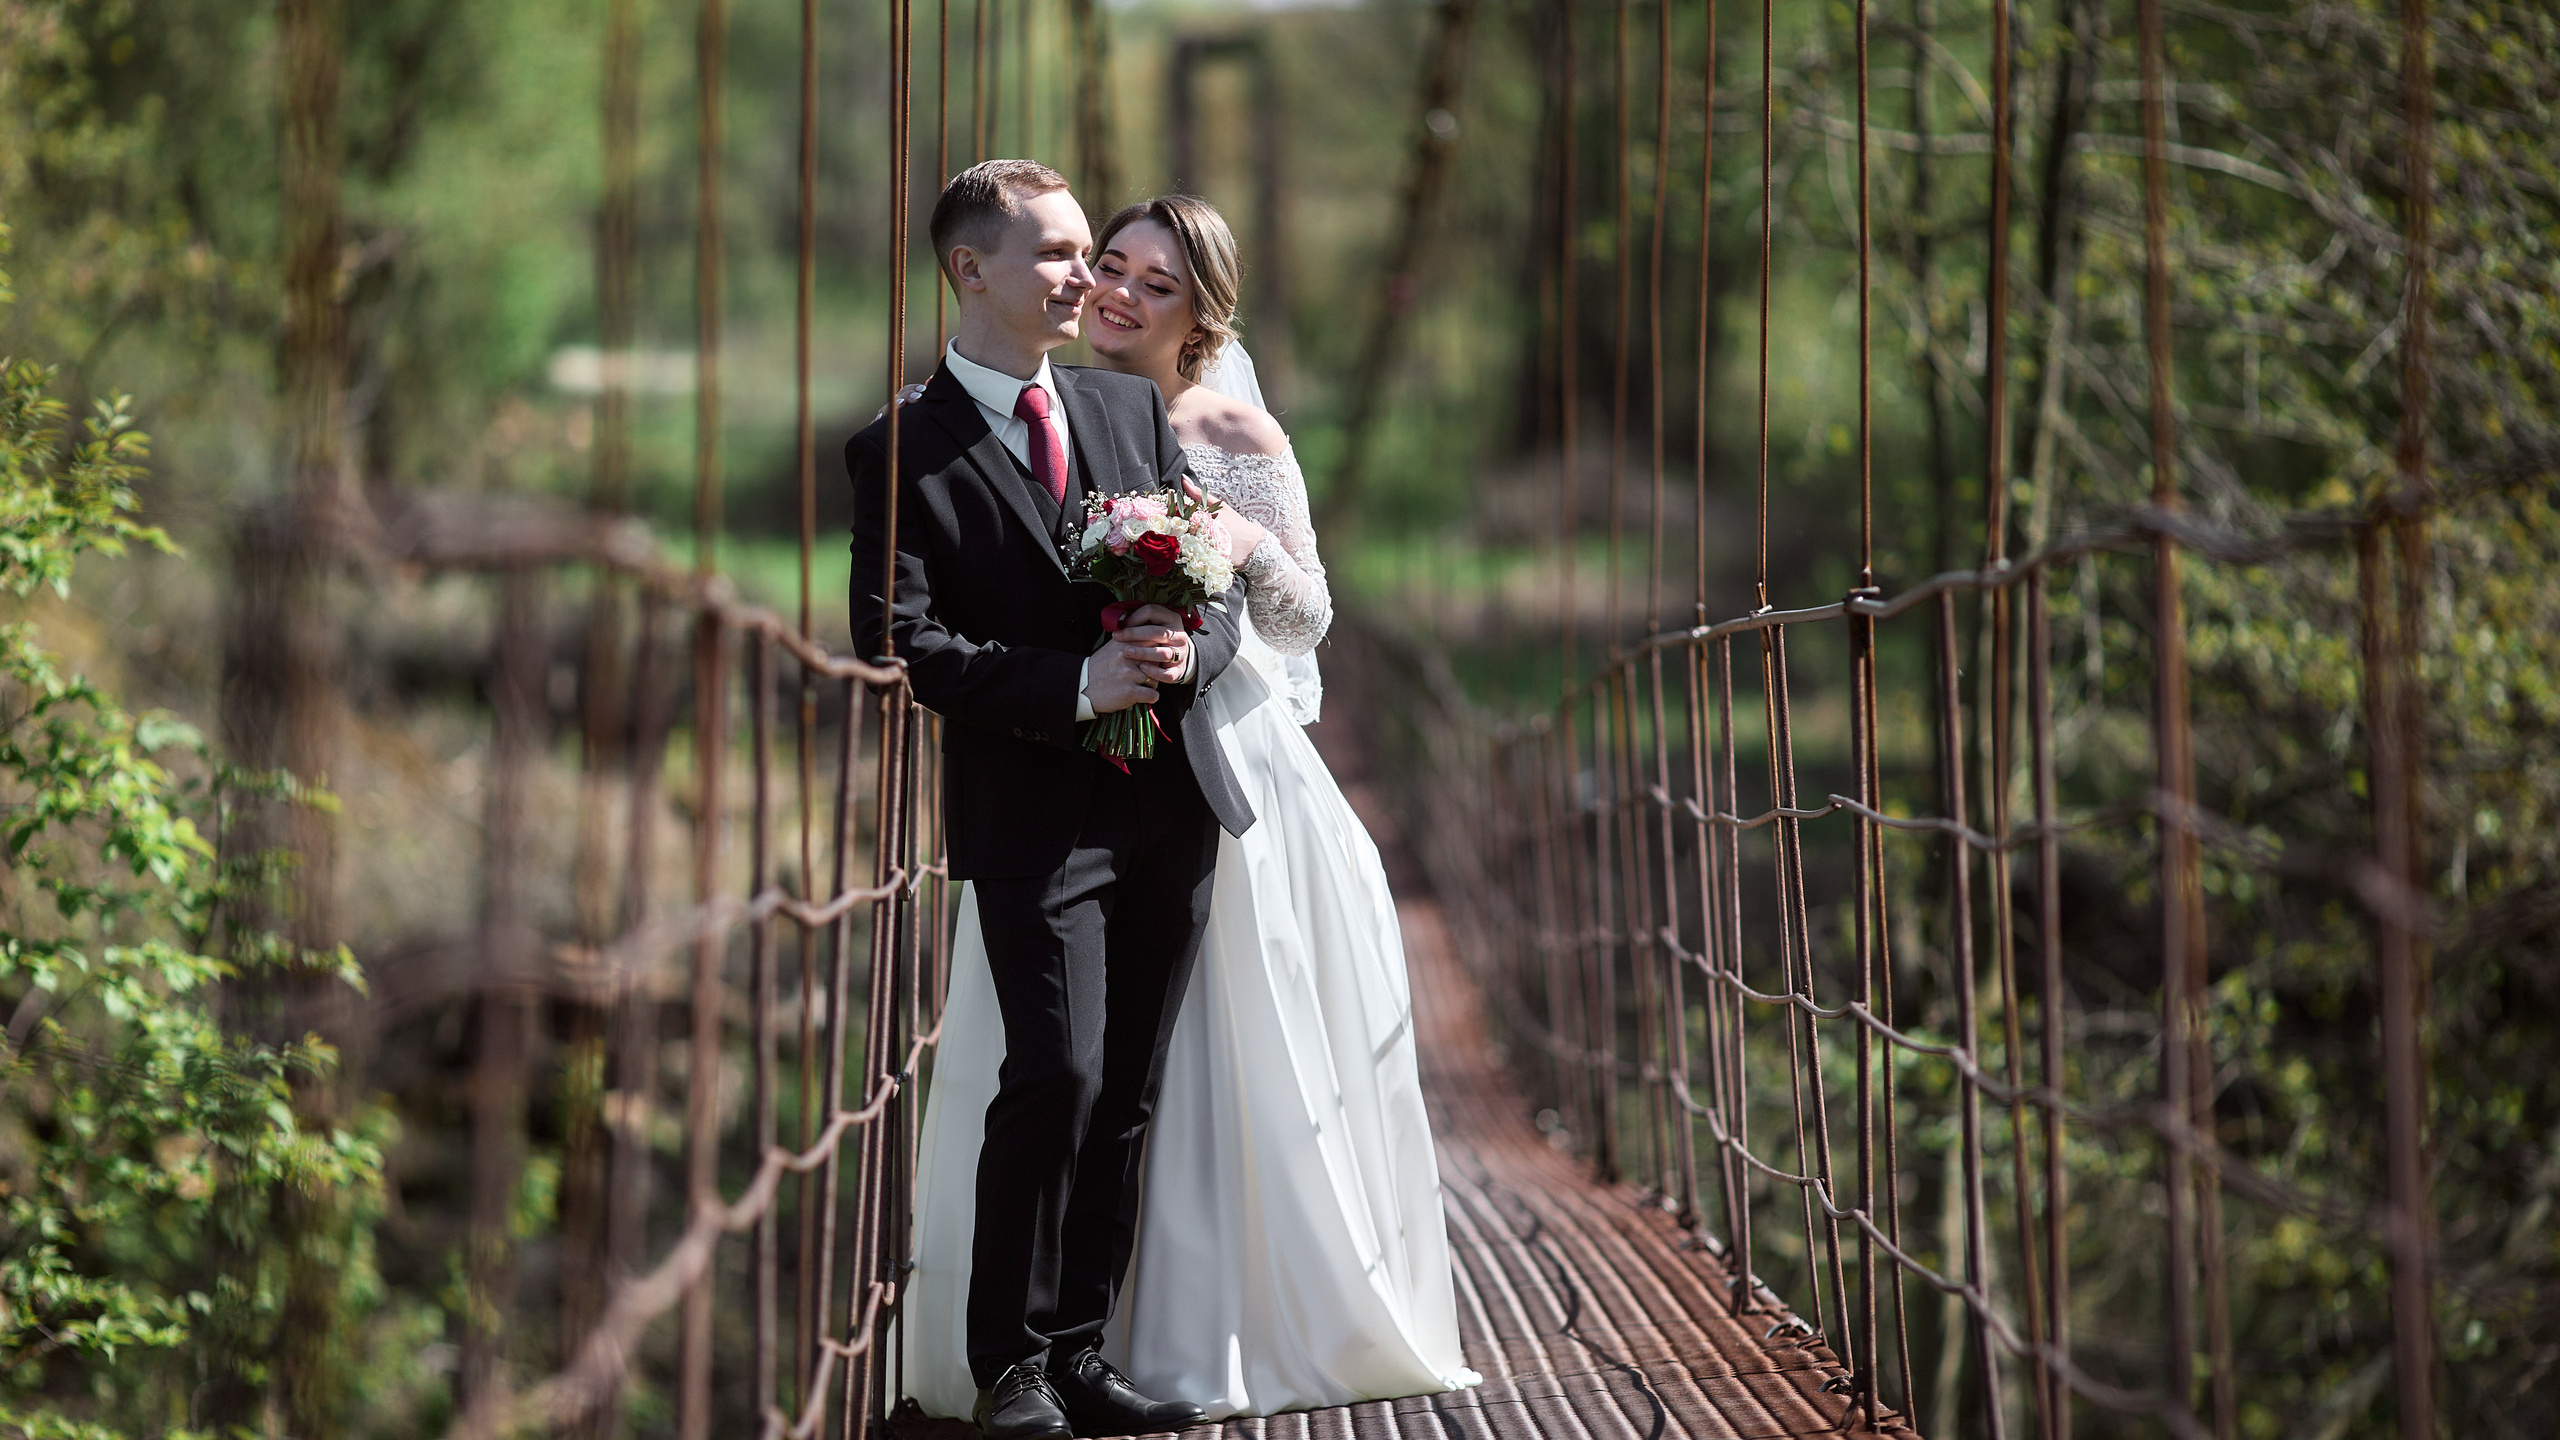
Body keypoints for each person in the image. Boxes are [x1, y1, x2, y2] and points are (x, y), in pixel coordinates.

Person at [904, 192, 1481, 1426]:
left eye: (1154, 283)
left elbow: (1304, 614)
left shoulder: (1230, 427)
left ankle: (1181, 1324)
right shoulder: (1038, 411)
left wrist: (1222, 543)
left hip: (1213, 761)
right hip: (1069, 763)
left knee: (1190, 1061)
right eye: (1106, 264)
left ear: (1200, 312)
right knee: (1064, 1060)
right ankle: (1039, 1351)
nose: (1116, 292)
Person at [848, 160, 1252, 1440]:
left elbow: (1221, 597)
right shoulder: (899, 447)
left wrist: (1197, 650)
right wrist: (1074, 684)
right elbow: (898, 642)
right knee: (1056, 1076)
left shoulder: (1128, 412)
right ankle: (1006, 1368)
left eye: (1093, 253)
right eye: (1061, 254)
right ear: (972, 270)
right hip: (1029, 809)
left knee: (1126, 1082)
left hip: (1164, 803)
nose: (1090, 278)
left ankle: (1080, 1351)